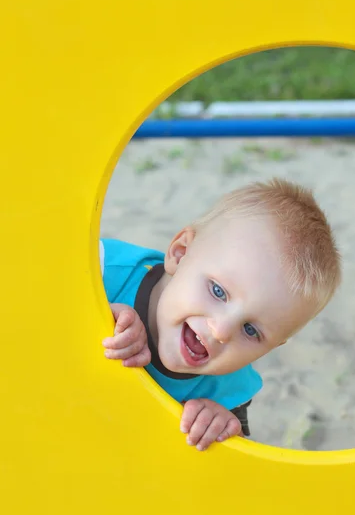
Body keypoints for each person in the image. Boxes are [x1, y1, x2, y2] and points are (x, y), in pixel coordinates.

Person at [100, 178, 341, 451]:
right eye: (218, 291)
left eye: (250, 330)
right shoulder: (105, 273)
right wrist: (96, 317)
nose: (222, 331)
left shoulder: (225, 392)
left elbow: (222, 462)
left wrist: (218, 426)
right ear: (181, 253)